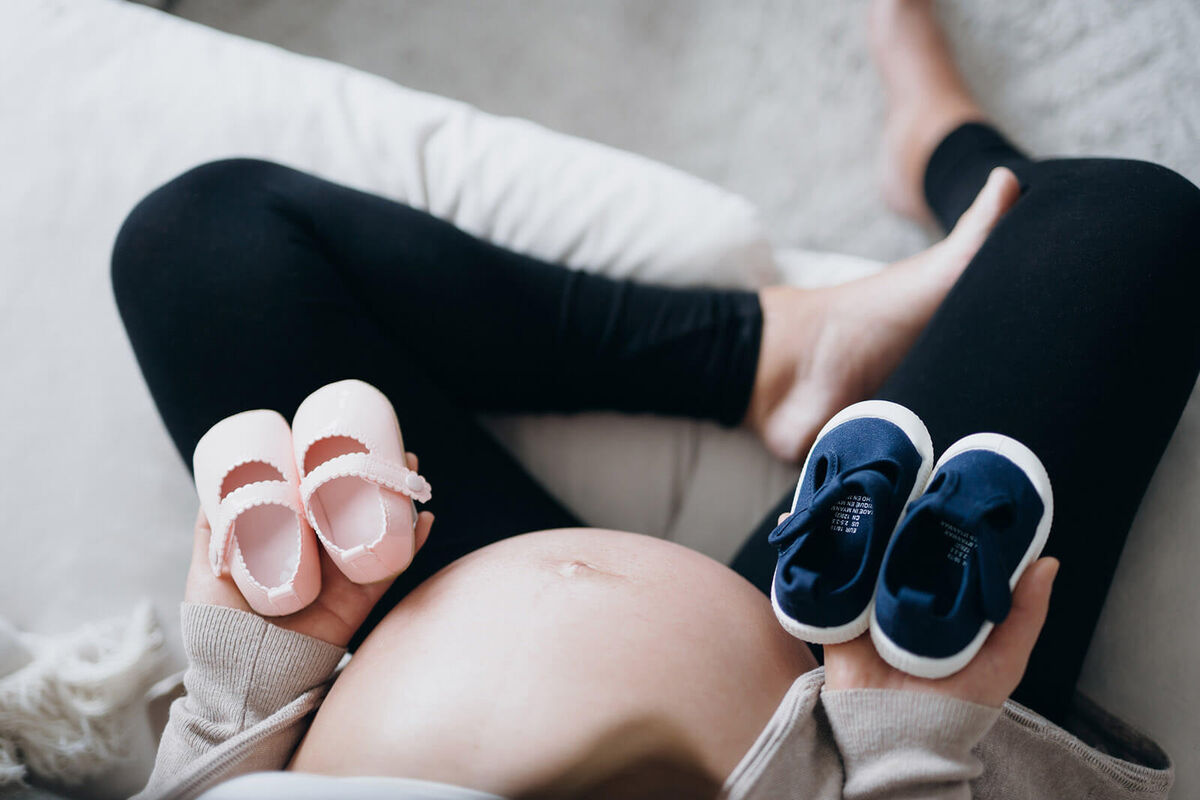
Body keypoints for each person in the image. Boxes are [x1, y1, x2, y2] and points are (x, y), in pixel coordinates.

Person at [112, 1, 1197, 797]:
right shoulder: (883, 733)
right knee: (1120, 226)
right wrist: (903, 752)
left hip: (382, 617)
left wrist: (236, 706)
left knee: (201, 246)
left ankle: (767, 355)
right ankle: (944, 145)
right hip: (848, 698)